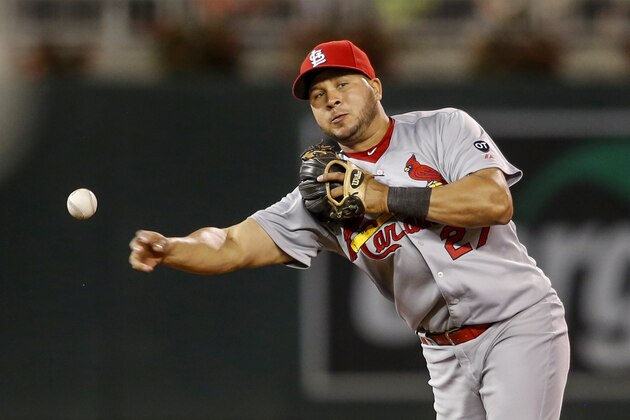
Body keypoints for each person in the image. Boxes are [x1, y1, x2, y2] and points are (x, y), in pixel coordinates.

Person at [129, 40, 570, 419]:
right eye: (318, 95)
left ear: (375, 87)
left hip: (517, 323)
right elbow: (229, 243)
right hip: (444, 353)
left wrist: (386, 198)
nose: (332, 99)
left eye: (343, 84)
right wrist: (171, 248)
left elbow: (495, 202)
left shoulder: (443, 127)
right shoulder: (323, 193)